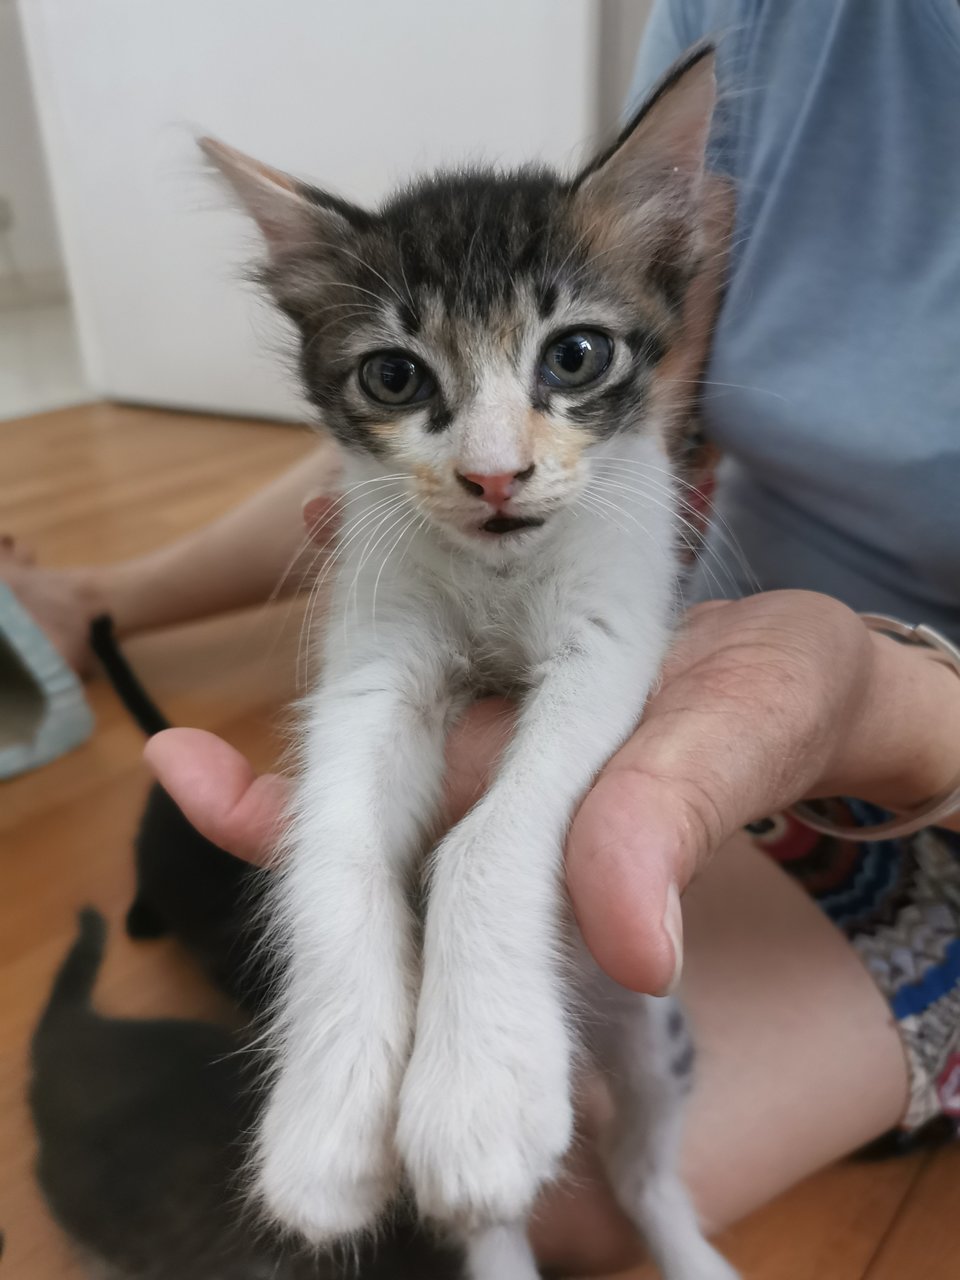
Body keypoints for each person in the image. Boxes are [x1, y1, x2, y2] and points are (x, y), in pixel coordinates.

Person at [6, 1, 960, 1272]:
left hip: (914, 763)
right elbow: (375, 696)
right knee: (222, 840)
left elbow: (585, 641)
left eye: (569, 358)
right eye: (402, 379)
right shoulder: (766, 21)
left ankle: (654, 1200)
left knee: (537, 1144)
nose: (501, 464)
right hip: (755, 655)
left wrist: (892, 706)